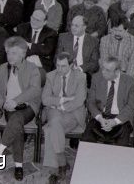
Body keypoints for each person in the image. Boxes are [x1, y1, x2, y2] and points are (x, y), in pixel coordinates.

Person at [0, 36, 42, 181]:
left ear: (23, 54)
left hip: (28, 107)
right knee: (16, 125)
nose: (10, 56)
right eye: (8, 53)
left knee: (17, 118)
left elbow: (35, 90)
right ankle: (19, 166)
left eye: (14, 53)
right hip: (8, 107)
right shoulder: (3, 68)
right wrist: (3, 104)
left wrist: (16, 101)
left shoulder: (32, 68)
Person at [43, 52, 87, 183]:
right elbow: (45, 99)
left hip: (72, 114)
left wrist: (59, 105)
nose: (59, 69)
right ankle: (61, 163)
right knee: (55, 123)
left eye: (63, 66)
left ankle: (56, 168)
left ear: (71, 65)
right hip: (54, 112)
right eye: (57, 65)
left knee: (50, 129)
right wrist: (64, 99)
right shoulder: (51, 76)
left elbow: (79, 100)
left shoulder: (81, 77)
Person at [81, 57, 134, 146]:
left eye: (108, 70)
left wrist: (115, 121)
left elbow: (131, 106)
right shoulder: (96, 78)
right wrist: (100, 118)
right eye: (103, 68)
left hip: (120, 118)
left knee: (122, 147)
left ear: (117, 72)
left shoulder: (129, 81)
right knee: (86, 141)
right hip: (100, 116)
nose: (103, 72)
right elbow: (91, 102)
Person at [56, 15, 100, 84]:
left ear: (84, 27)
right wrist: (66, 67)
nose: (73, 28)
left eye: (76, 26)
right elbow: (57, 57)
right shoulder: (63, 37)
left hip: (84, 72)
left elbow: (94, 63)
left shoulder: (94, 41)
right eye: (72, 25)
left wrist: (80, 69)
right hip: (64, 69)